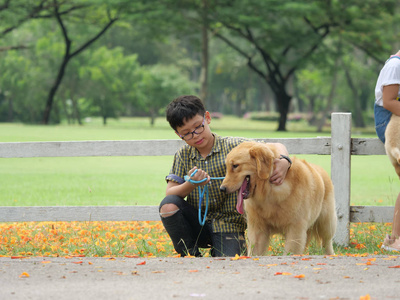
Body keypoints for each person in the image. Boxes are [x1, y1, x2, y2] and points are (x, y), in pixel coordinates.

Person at [159, 95, 291, 257]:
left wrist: (285, 161)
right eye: (186, 133)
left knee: (229, 263)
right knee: (168, 205)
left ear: (207, 118)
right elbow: (170, 192)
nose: (195, 136)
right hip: (197, 223)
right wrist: (191, 184)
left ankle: (222, 248)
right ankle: (190, 255)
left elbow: (275, 146)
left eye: (198, 127)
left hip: (229, 226)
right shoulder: (183, 155)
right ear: (178, 134)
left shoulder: (235, 146)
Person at [374, 50, 400, 251]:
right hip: (389, 122)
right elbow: (389, 102)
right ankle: (395, 239)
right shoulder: (395, 66)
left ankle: (393, 239)